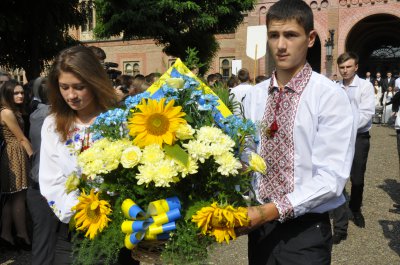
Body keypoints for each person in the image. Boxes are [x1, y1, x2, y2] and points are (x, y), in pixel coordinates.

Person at [240, 1, 354, 264]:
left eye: (290, 35)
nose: (281, 45)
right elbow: (247, 154)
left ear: (310, 38)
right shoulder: (253, 96)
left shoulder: (328, 96)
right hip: (259, 229)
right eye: (274, 35)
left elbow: (331, 178)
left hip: (306, 231)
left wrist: (270, 210)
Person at [39, 45, 117, 263]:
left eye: (79, 87)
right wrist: (84, 213)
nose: (71, 95)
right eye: (64, 87)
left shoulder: (118, 120)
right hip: (75, 232)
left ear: (94, 83)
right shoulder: (53, 125)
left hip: (119, 229)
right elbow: (51, 182)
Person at [332, 52, 375, 244]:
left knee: (357, 178)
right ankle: (340, 227)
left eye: (348, 67)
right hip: (338, 139)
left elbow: (366, 114)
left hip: (358, 137)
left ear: (356, 67)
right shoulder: (335, 87)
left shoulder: (365, 86)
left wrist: (345, 126)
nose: (345, 70)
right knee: (338, 178)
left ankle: (355, 208)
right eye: (342, 67)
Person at [26, 78, 56, 264]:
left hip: (39, 182)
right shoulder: (48, 115)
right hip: (43, 184)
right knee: (45, 241)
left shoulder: (37, 113)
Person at [0, 79, 33, 250]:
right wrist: (33, 156)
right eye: (16, 93)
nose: (20, 95)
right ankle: (22, 235)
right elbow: (21, 138)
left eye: (22, 92)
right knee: (19, 196)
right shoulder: (7, 112)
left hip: (14, 152)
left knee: (12, 197)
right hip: (14, 154)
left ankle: (6, 235)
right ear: (8, 94)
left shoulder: (11, 110)